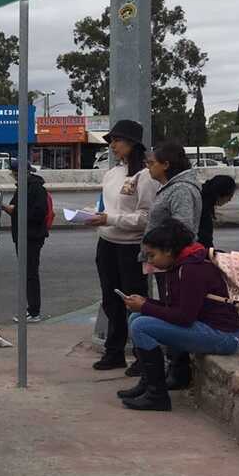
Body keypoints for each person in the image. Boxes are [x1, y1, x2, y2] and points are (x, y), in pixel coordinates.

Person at [117, 219, 239, 412]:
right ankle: (148, 384)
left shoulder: (192, 269)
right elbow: (176, 308)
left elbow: (184, 317)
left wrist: (145, 307)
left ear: (168, 251)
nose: (149, 261)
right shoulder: (180, 265)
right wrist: (145, 303)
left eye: (152, 255)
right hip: (209, 328)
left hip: (224, 336)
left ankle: (157, 396)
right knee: (135, 319)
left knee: (140, 325)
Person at [87, 120, 158, 372]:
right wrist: (93, 216)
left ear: (133, 144)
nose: (113, 146)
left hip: (131, 248)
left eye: (117, 140)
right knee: (111, 300)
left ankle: (143, 355)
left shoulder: (146, 176)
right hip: (106, 244)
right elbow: (105, 207)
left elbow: (146, 217)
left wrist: (111, 219)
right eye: (111, 142)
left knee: (135, 301)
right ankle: (114, 351)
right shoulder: (112, 173)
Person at [143, 141, 203, 388]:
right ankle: (173, 367)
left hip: (172, 263)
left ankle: (178, 370)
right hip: (164, 260)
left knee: (172, 311)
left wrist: (162, 250)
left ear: (166, 165)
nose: (148, 168)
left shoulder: (179, 190)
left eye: (151, 163)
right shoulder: (170, 187)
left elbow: (183, 227)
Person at [2, 159, 49, 322]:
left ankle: (34, 311)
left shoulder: (35, 188)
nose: (12, 176)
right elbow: (15, 209)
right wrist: (8, 209)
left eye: (13, 173)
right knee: (26, 273)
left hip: (31, 237)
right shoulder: (23, 187)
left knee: (30, 274)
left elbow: (38, 213)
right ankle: (31, 309)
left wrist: (16, 211)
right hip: (23, 236)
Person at [198, 175, 238, 250]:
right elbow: (204, 237)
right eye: (230, 196)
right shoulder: (203, 207)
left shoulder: (205, 201)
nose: (230, 200)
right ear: (221, 194)